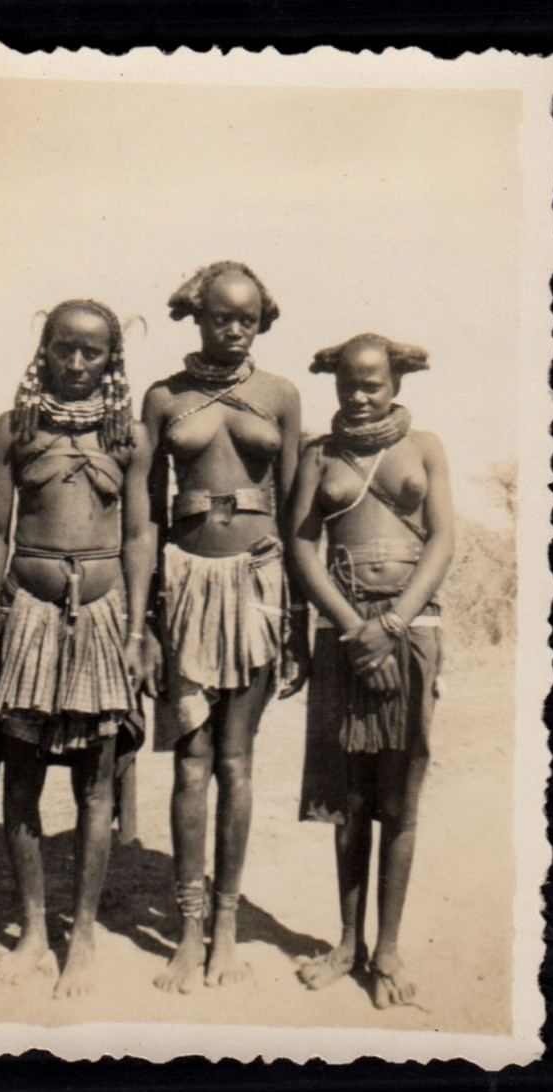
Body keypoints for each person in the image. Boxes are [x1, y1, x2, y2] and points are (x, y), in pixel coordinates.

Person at [0, 298, 153, 996]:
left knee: (95, 785)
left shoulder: (127, 437)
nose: (76, 364)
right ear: (42, 349)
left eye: (92, 352)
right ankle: (35, 931)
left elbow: (138, 537)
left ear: (112, 360)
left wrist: (136, 635)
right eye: (64, 348)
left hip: (103, 622)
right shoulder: (13, 429)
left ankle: (83, 941)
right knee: (21, 776)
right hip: (31, 620)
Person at [142, 261, 309, 993]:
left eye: (245, 318)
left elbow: (300, 513)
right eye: (219, 316)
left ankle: (227, 927)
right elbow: (142, 519)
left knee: (236, 761)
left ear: (261, 320)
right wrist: (146, 621)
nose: (232, 328)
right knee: (190, 762)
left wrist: (299, 619)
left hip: (260, 585)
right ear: (197, 315)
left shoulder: (280, 395)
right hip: (183, 586)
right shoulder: (162, 398)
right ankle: (184, 930)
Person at [290, 333, 454, 1009]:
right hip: (343, 637)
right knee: (350, 801)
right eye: (348, 385)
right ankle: (346, 942)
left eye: (372, 384)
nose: (359, 396)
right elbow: (302, 545)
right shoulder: (317, 454)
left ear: (394, 384)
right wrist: (354, 627)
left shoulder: (425, 448)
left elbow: (443, 539)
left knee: (400, 797)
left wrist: (389, 626)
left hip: (410, 632)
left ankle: (387, 951)